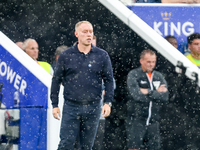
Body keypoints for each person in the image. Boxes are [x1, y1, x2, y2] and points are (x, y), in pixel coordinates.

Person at [50, 20, 114, 150]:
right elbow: (56, 80)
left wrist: (108, 102)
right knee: (65, 144)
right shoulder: (66, 55)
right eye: (85, 32)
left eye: (91, 32)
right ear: (77, 34)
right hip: (71, 106)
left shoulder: (102, 55)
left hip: (93, 107)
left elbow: (109, 80)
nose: (89, 35)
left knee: (87, 146)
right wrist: (55, 104)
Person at [126, 49, 169, 150]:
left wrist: (148, 91)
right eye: (148, 61)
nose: (151, 64)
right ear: (141, 61)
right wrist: (156, 92)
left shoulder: (158, 76)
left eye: (153, 62)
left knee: (154, 147)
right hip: (136, 119)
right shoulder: (133, 74)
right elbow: (136, 95)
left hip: (153, 120)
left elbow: (165, 96)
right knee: (134, 147)